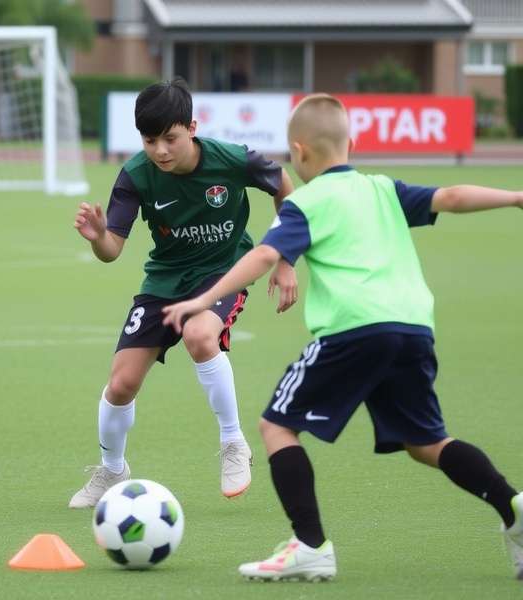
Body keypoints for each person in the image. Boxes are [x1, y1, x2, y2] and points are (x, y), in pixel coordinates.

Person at [162, 93, 523, 581]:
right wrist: (517, 196)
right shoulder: (382, 189)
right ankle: (513, 506)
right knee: (425, 442)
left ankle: (309, 547)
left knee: (275, 427)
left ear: (299, 151)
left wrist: (203, 300)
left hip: (356, 329)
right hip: (414, 327)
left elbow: (265, 256)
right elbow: (452, 197)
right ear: (351, 142)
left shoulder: (307, 202)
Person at [68, 78, 297, 508]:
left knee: (199, 336)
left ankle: (233, 443)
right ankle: (112, 471)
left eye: (169, 138)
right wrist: (98, 236)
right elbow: (111, 251)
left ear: (191, 127)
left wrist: (285, 258)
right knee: (120, 385)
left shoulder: (231, 159)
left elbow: (284, 186)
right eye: (150, 140)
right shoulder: (136, 174)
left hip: (222, 273)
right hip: (165, 281)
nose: (160, 151)